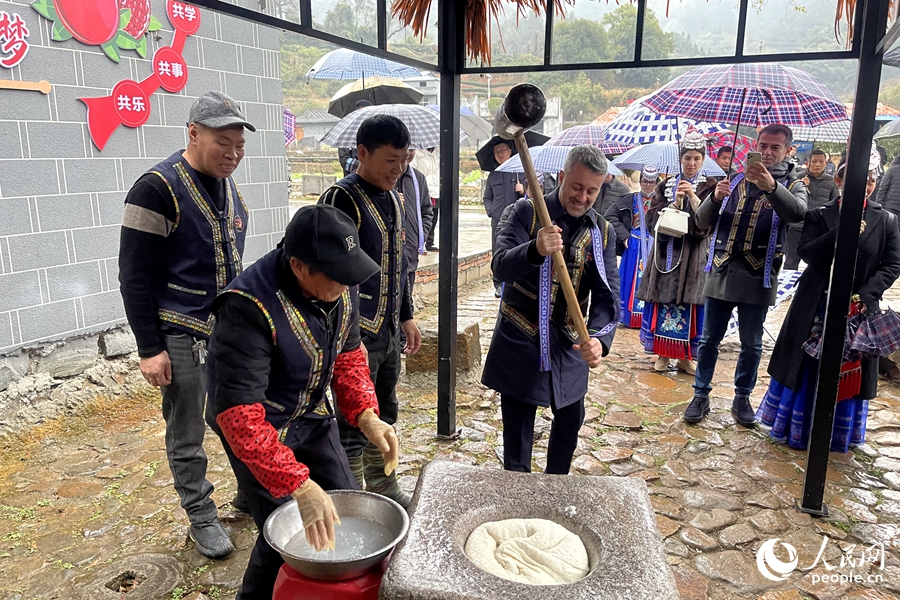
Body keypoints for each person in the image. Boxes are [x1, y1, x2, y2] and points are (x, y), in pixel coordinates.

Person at [206, 204, 402, 599]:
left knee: (343, 506)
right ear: (298, 266)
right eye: (337, 277)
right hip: (259, 428)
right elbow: (239, 416)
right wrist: (297, 484)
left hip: (311, 414)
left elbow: (349, 359)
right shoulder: (245, 308)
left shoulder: (338, 287)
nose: (346, 287)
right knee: (285, 526)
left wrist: (367, 416)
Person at [118, 91, 256, 558]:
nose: (233, 154)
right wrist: (148, 348)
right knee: (187, 432)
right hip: (178, 335)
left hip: (226, 334)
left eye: (239, 145)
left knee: (238, 417)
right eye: (223, 142)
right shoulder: (156, 187)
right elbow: (133, 275)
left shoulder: (228, 183)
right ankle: (201, 514)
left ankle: (249, 494)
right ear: (193, 133)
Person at [482, 145, 619, 475]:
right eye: (576, 186)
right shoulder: (525, 213)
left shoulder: (602, 231)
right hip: (521, 338)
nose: (582, 197)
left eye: (591, 190)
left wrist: (600, 339)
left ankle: (556, 492)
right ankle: (516, 497)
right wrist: (535, 248)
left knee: (571, 421)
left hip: (569, 342)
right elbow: (499, 267)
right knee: (518, 438)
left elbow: (606, 295)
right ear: (561, 177)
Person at [756, 158, 900, 451]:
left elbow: (892, 263)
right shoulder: (819, 215)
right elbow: (807, 253)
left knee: (849, 369)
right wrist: (841, 232)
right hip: (815, 308)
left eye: (870, 181)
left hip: (858, 308)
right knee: (808, 366)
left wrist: (866, 295)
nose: (865, 186)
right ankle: (797, 430)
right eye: (858, 180)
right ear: (839, 182)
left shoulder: (886, 220)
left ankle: (835, 436)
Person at [319, 115, 422, 507]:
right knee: (353, 417)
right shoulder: (340, 199)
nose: (399, 170)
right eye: (390, 160)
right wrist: (351, 340)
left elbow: (400, 265)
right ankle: (351, 495)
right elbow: (333, 277)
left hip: (389, 331)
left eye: (405, 160)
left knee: (386, 408)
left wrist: (407, 314)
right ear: (362, 153)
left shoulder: (396, 198)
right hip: (353, 335)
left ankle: (383, 485)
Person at [685, 124, 808, 427]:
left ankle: (742, 396)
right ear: (755, 145)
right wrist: (714, 198)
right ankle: (700, 394)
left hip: (758, 276)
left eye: (775, 148)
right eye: (763, 146)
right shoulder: (734, 180)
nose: (767, 153)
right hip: (721, 271)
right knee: (708, 339)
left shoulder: (793, 185)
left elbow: (798, 214)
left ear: (787, 151)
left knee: (751, 343)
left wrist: (771, 187)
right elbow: (700, 223)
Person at [638, 132, 716, 374]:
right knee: (664, 303)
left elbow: (710, 223)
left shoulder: (710, 187)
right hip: (666, 255)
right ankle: (662, 354)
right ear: (680, 159)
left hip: (693, 256)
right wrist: (672, 206)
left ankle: (685, 357)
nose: (691, 163)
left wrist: (693, 199)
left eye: (696, 158)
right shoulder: (666, 185)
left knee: (691, 307)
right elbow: (651, 220)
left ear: (703, 160)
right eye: (687, 158)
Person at [605, 164, 659, 329]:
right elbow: (609, 216)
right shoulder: (629, 199)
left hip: (655, 247)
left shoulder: (663, 201)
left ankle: (649, 320)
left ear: (657, 182)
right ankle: (629, 318)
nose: (648, 185)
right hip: (634, 244)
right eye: (645, 181)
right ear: (641, 181)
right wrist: (624, 236)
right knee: (630, 281)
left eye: (652, 182)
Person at [784, 149, 840, 270]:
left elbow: (834, 204)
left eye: (821, 161)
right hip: (797, 226)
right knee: (790, 262)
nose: (817, 164)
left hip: (819, 228)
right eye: (814, 161)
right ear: (807, 163)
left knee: (817, 262)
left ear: (826, 163)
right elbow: (787, 201)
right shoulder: (797, 178)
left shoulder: (831, 181)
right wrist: (800, 185)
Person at [483, 140, 525, 297]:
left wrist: (523, 190)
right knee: (498, 252)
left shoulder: (521, 172)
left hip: (518, 221)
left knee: (518, 250)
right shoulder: (493, 175)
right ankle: (498, 284)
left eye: (503, 150)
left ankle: (516, 282)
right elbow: (487, 197)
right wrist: (492, 211)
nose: (500, 154)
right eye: (496, 152)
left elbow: (535, 194)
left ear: (510, 151)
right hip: (498, 221)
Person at [396, 148, 433, 291]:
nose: (407, 153)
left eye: (411, 149)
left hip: (410, 253)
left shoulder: (418, 178)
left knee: (406, 305)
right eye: (403, 148)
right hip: (385, 261)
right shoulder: (381, 177)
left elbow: (427, 211)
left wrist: (420, 236)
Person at [412, 147, 441, 251]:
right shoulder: (418, 153)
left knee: (433, 217)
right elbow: (413, 169)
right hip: (422, 188)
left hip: (435, 189)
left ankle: (430, 242)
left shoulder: (438, 152)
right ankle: (420, 242)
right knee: (421, 216)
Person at [338, 99, 373, 176]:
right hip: (353, 180)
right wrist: (365, 165)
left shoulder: (377, 134)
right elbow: (344, 160)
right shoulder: (346, 134)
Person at [875, 153, 900, 221]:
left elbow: (882, 188)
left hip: (889, 208)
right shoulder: (892, 170)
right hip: (890, 208)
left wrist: (878, 204)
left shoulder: (892, 170)